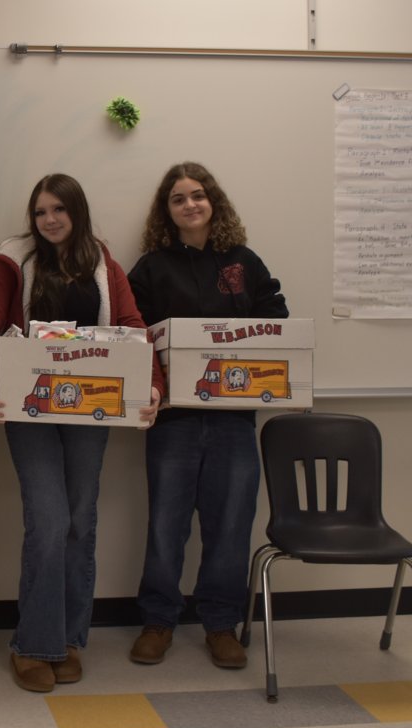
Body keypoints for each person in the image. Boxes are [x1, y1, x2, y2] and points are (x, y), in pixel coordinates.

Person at [0, 173, 163, 693]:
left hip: (91, 413)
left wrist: (153, 386)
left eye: (59, 209)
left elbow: (132, 325)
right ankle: (34, 644)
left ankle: (70, 638)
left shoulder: (104, 265)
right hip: (29, 410)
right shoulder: (14, 260)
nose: (49, 220)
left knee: (81, 521)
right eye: (40, 211)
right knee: (49, 520)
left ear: (76, 212)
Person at [126, 161, 288, 670]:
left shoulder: (244, 262)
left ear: (212, 201)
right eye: (178, 198)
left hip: (234, 419)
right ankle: (158, 620)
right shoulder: (151, 267)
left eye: (197, 195)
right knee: (166, 524)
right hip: (172, 419)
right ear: (167, 211)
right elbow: (130, 335)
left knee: (231, 523)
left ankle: (221, 623)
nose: (190, 204)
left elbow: (277, 324)